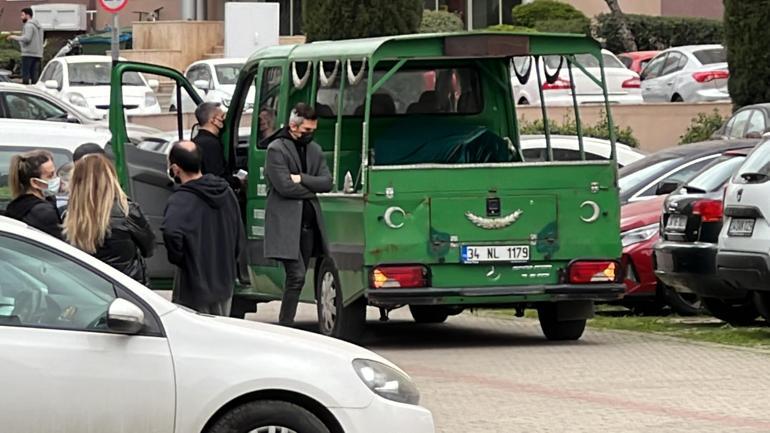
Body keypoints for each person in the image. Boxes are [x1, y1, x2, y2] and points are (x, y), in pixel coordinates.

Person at [264, 103, 333, 326]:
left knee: (298, 277)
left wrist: (301, 178)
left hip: (308, 225)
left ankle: (287, 322)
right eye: (306, 131)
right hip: (286, 224)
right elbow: (284, 187)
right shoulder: (276, 149)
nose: (310, 135)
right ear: (293, 126)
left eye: (313, 130)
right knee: (297, 275)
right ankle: (286, 324)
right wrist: (311, 188)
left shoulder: (315, 150)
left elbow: (327, 183)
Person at [162, 141, 243, 315]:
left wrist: (181, 258)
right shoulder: (226, 192)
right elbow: (238, 233)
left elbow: (171, 231)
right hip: (225, 280)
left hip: (194, 283)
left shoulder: (181, 200)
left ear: (176, 169)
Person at [62, 154, 155, 284]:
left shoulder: (69, 217)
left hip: (88, 290)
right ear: (110, 178)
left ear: (76, 182)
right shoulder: (127, 211)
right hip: (128, 288)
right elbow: (149, 248)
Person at [5, 149, 62, 238]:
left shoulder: (18, 206)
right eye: (50, 176)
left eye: (55, 173)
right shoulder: (43, 212)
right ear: (35, 183)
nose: (56, 178)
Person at [193, 102, 241, 187]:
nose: (224, 120)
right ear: (213, 120)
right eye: (222, 117)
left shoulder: (197, 140)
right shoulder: (210, 144)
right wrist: (238, 182)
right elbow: (217, 177)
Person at [7, 8, 44, 85]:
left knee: (26, 76)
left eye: (22, 15)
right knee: (35, 77)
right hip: (38, 54)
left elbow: (27, 38)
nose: (21, 17)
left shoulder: (28, 25)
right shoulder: (39, 27)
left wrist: (13, 37)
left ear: (27, 15)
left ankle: (25, 93)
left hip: (28, 54)